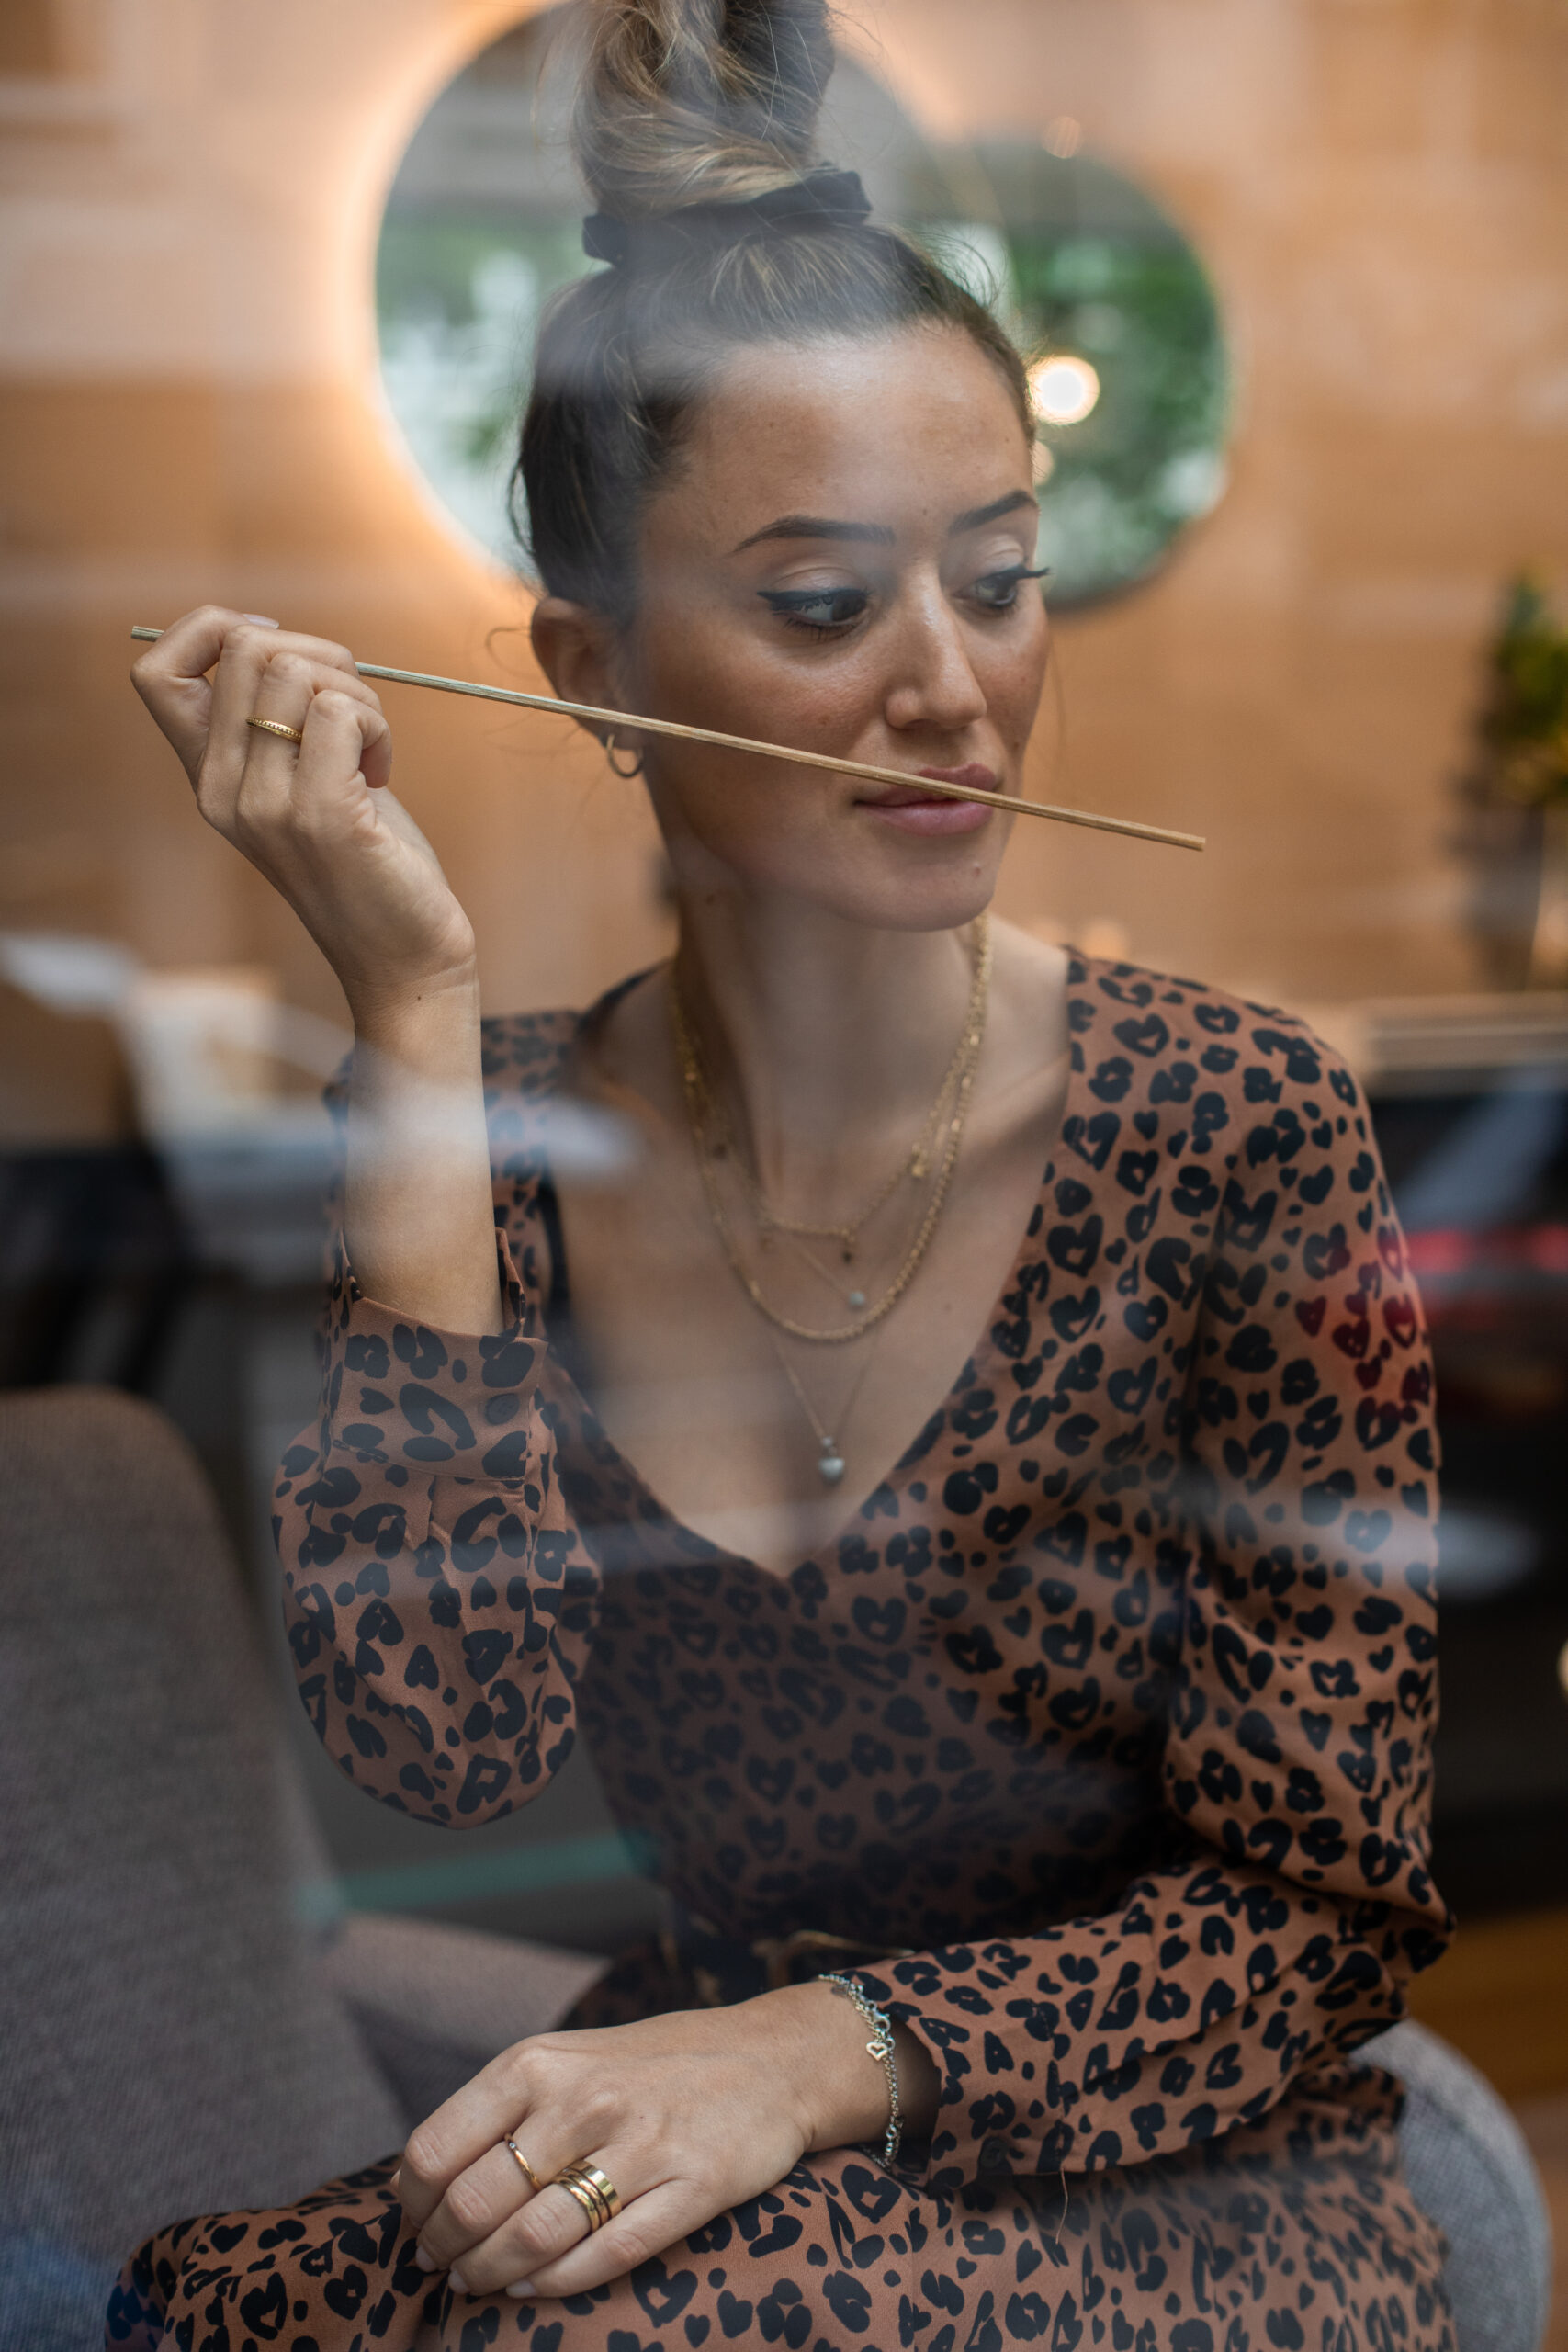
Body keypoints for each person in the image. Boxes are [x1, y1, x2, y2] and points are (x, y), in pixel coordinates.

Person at [111, 2, 1453, 2344]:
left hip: (1176, 2173)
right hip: (716, 2122)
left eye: (999, 574)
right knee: (216, 2300)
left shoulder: (1228, 1121)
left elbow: (1323, 1907)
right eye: (826, 604)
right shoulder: (480, 1124)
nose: (951, 681)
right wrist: (410, 1020)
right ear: (596, 674)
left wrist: (808, 2060)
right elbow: (443, 1732)